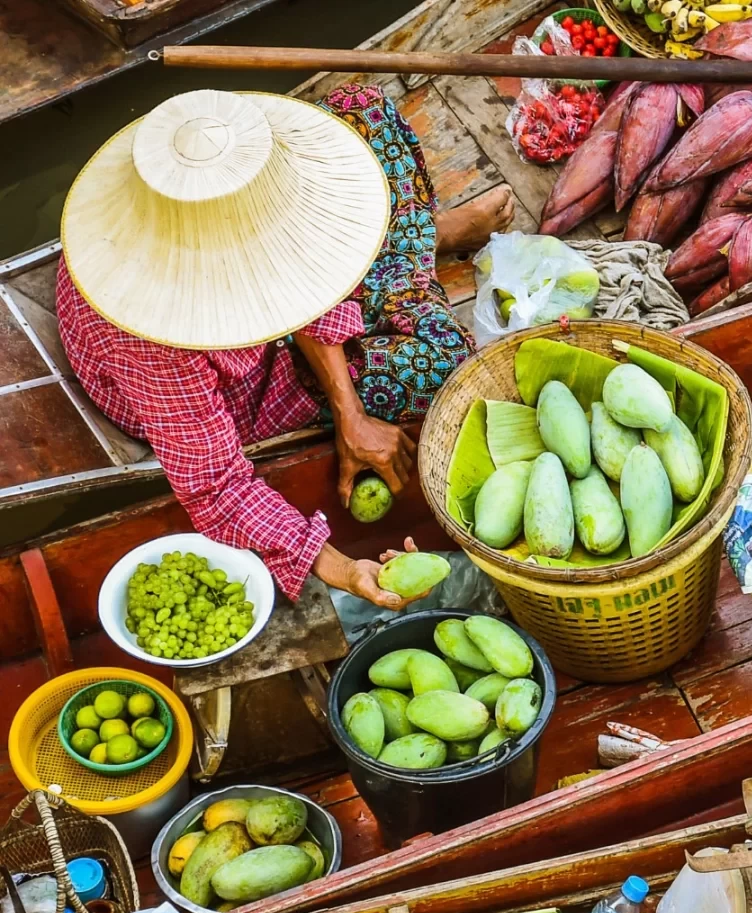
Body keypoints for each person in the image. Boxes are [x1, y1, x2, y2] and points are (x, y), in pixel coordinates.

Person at [56, 86, 516, 609]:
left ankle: (414, 244)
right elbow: (218, 489)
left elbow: (305, 272)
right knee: (447, 367)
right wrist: (342, 568)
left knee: (360, 108)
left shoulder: (204, 170)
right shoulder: (154, 336)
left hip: (260, 294)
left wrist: (351, 412)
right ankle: (414, 247)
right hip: (241, 389)